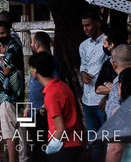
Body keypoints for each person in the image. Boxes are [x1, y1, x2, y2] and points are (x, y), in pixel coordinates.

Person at [31, 50, 86, 161]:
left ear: (35, 70)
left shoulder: (51, 94)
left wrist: (50, 149)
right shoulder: (62, 86)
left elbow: (60, 129)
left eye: (31, 68)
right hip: (74, 143)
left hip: (63, 147)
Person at [0, 20, 27, 162]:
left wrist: (0, 55)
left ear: (9, 31)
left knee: (9, 132)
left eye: (2, 33)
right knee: (20, 129)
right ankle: (23, 158)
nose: (0, 36)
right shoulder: (14, 43)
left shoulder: (12, 46)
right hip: (18, 93)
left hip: (8, 95)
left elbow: (6, 70)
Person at [26, 31, 59, 162]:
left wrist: (45, 107)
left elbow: (55, 83)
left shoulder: (51, 62)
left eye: (32, 42)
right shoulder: (36, 59)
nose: (31, 44)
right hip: (33, 109)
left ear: (37, 45)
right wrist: (27, 106)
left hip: (43, 111)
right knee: (35, 145)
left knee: (42, 147)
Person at [83, 12, 110, 162]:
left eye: (88, 25)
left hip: (102, 101)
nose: (85, 29)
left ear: (98, 24)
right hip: (87, 99)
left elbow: (114, 72)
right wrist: (82, 73)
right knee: (94, 142)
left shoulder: (108, 43)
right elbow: (83, 64)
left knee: (108, 140)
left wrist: (107, 97)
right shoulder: (84, 45)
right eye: (83, 26)